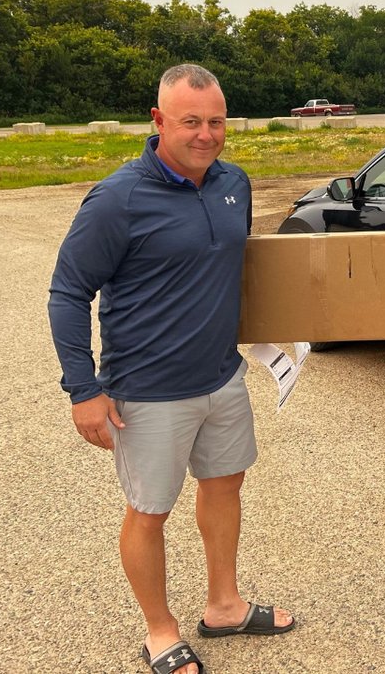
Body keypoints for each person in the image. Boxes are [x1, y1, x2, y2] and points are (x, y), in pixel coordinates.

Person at [48, 64, 293, 674]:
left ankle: (225, 606)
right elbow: (67, 292)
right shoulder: (117, 199)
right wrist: (83, 390)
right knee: (149, 509)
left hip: (221, 378)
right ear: (158, 122)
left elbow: (235, 271)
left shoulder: (234, 182)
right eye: (191, 122)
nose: (206, 134)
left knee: (225, 486)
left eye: (216, 121)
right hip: (148, 392)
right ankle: (160, 631)